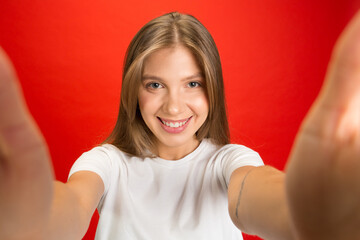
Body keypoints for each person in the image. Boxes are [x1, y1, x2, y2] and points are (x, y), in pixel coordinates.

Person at [0, 10, 359, 240]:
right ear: (133, 91)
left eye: (193, 83)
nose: (174, 106)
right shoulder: (106, 164)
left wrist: (303, 218)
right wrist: (32, 221)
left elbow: (261, 199)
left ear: (213, 86)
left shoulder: (229, 162)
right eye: (155, 85)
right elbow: (71, 208)